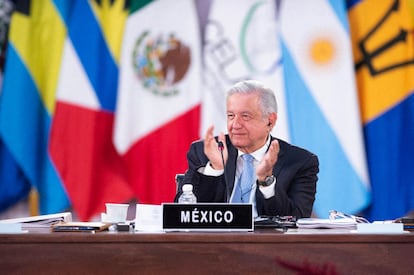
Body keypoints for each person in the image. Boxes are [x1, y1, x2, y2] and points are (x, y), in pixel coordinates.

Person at [175, 80, 319, 218]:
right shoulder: (205, 152)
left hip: (267, 243)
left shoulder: (300, 162)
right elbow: (182, 213)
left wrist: (266, 182)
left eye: (245, 116)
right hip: (216, 242)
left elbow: (297, 219)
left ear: (270, 120)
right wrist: (215, 169)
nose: (235, 125)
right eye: (231, 116)